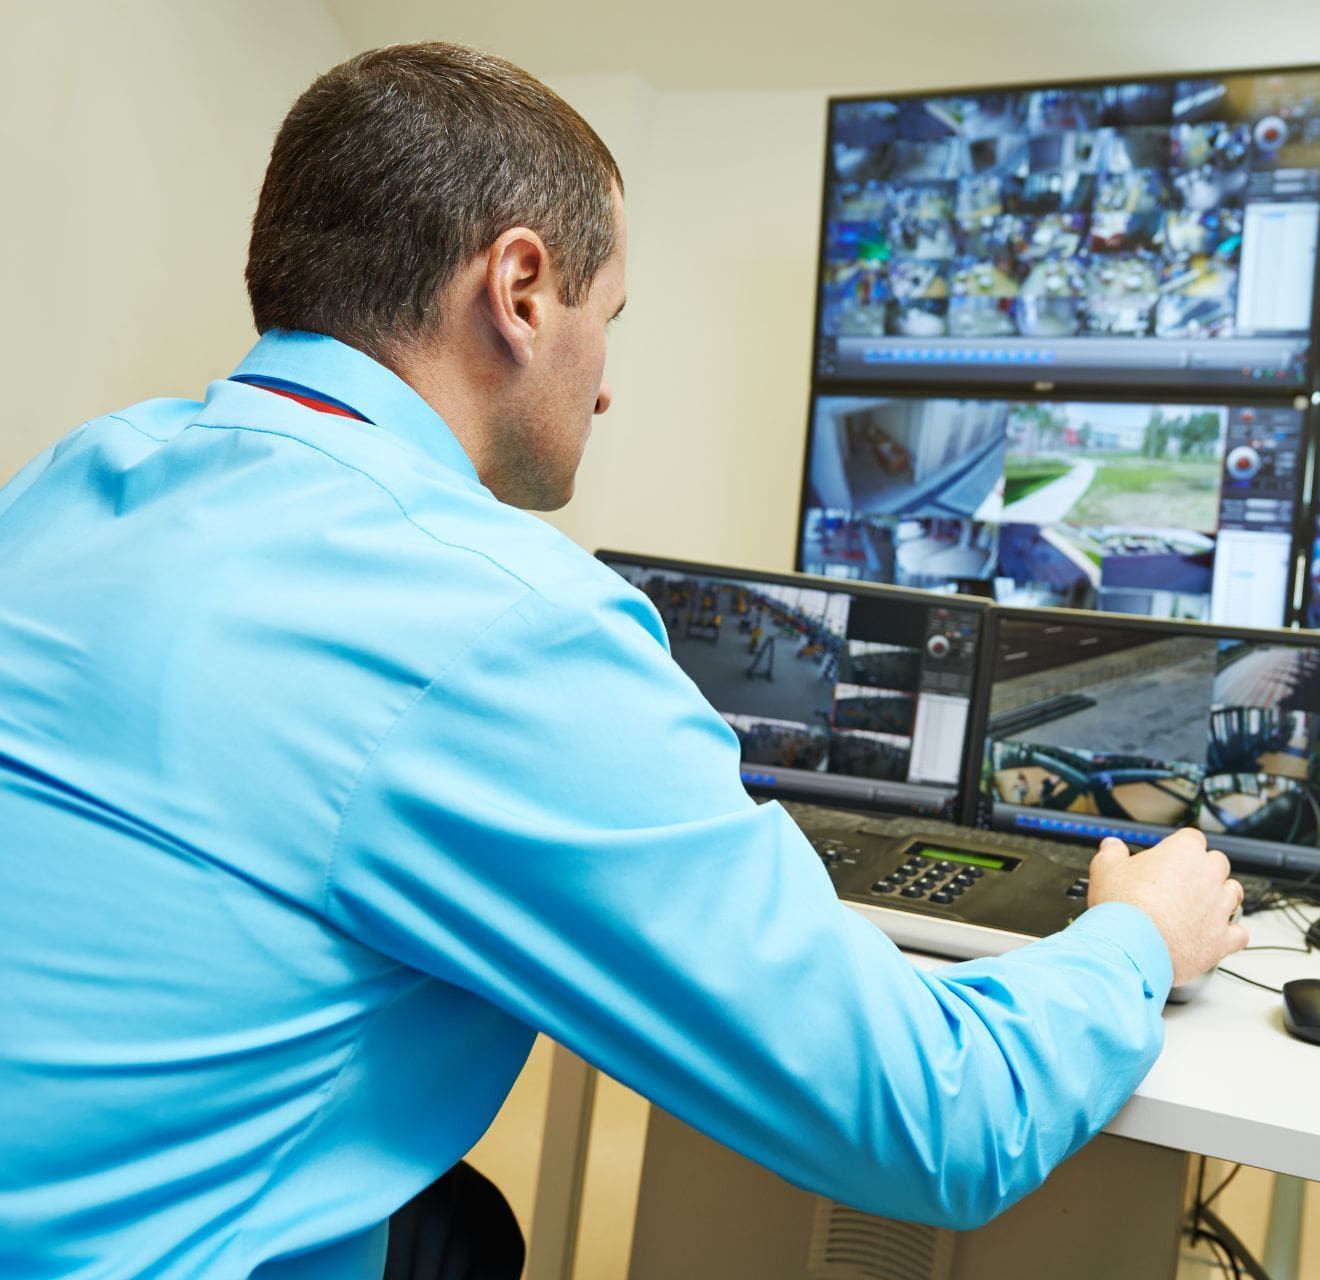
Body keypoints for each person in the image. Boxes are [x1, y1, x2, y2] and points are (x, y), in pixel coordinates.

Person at [0, 42, 1246, 1280]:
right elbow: (932, 1118)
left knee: (462, 1218)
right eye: (611, 320)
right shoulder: (503, 619)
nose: (604, 390)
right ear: (524, 290)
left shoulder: (75, 475)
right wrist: (1138, 937)